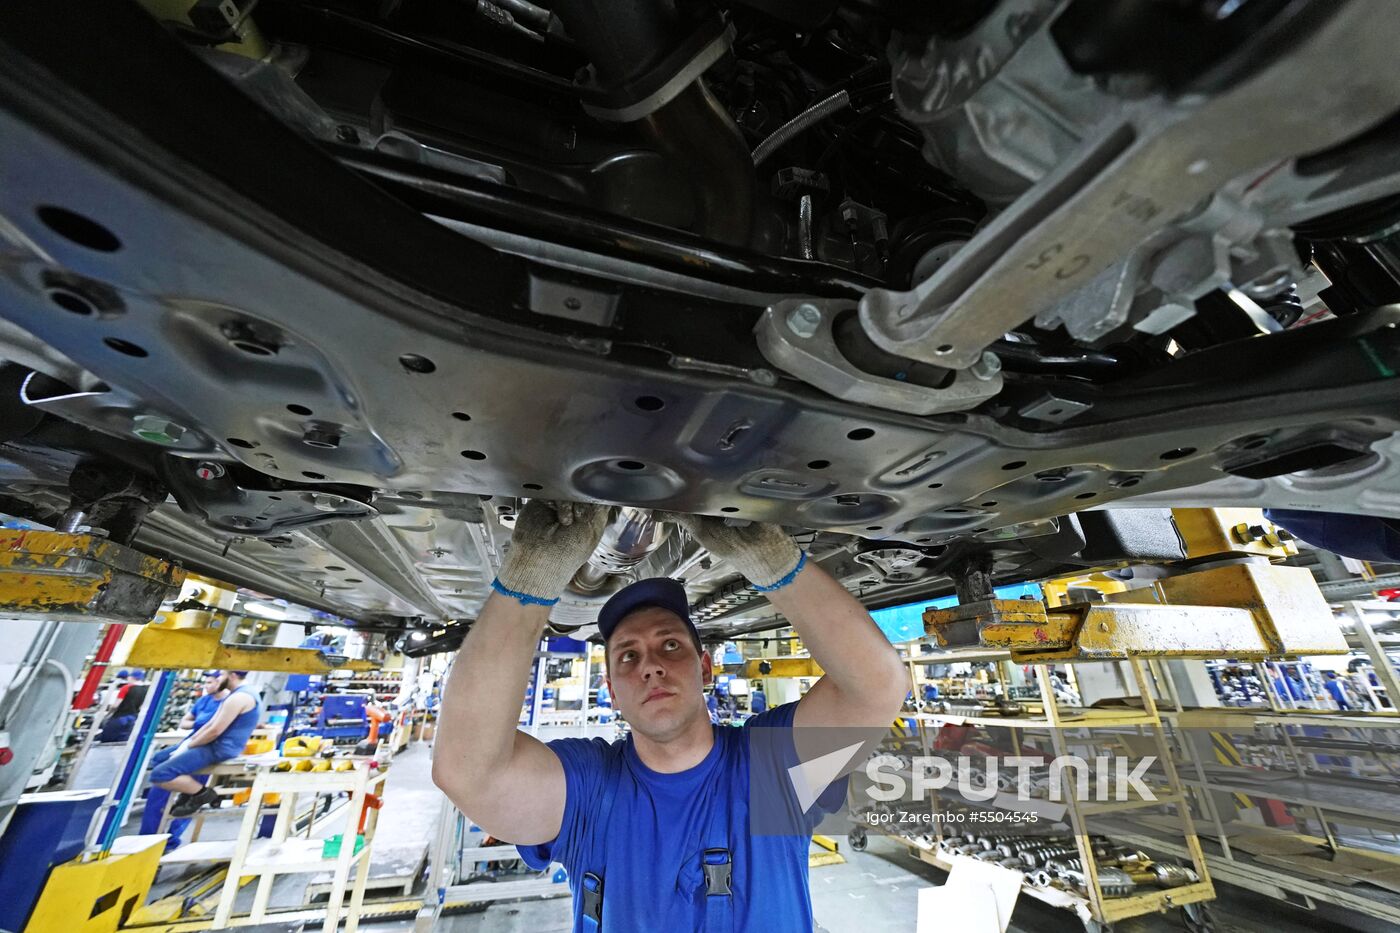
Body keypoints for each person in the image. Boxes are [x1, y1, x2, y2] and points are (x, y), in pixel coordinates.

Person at [433, 501, 908, 930]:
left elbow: (875, 686)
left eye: (670, 644)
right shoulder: (589, 790)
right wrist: (529, 577)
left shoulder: (773, 770)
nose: (652, 665)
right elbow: (467, 772)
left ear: (705, 668)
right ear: (611, 694)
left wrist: (773, 561)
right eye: (627, 656)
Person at [153, 670, 261, 817]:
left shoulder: (240, 697)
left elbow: (215, 731)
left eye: (221, 675)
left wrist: (190, 746)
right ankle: (188, 791)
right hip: (210, 744)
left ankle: (203, 794)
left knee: (160, 774)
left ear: (233, 675)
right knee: (158, 758)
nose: (218, 679)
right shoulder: (235, 695)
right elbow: (210, 725)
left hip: (219, 748)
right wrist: (188, 743)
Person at [142, 671, 227, 848]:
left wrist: (202, 727)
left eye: (211, 682)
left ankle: (171, 840)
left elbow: (215, 729)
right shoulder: (204, 701)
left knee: (189, 799)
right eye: (206, 682)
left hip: (205, 749)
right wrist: (202, 725)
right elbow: (185, 723)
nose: (207, 685)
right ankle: (148, 839)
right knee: (159, 781)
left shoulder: (230, 702)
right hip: (189, 745)